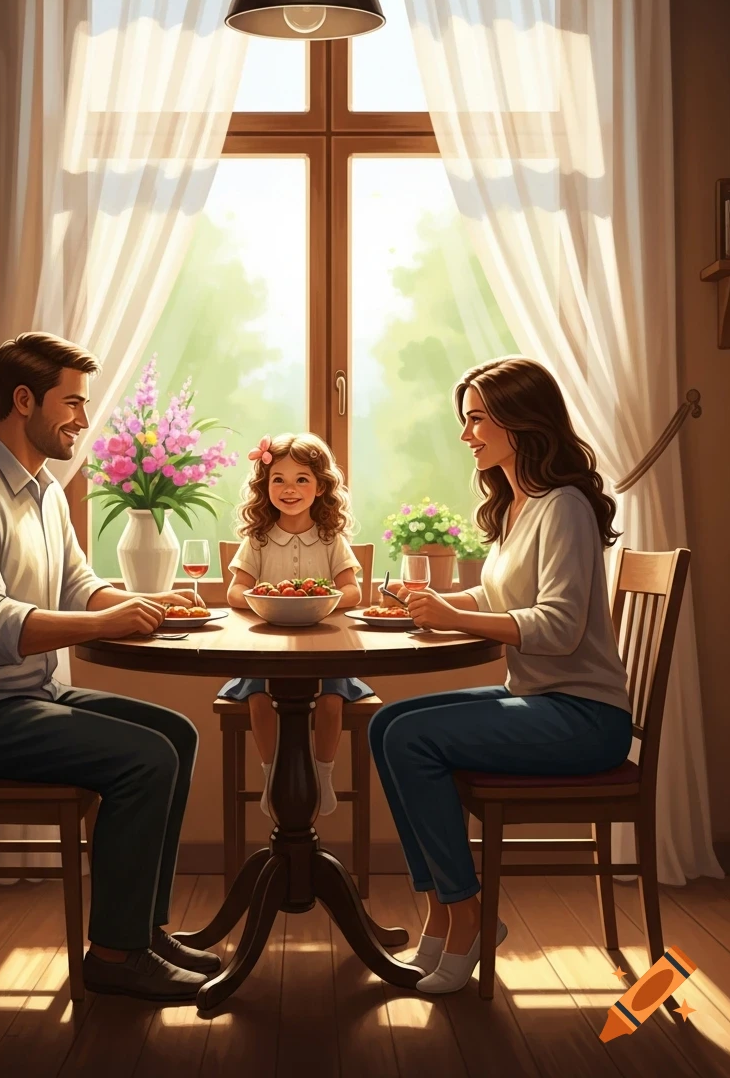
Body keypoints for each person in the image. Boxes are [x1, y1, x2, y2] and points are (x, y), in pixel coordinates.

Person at [0, 332, 220, 1002]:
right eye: (72, 402)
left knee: (177, 737)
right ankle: (114, 956)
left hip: (29, 697)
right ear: (24, 400)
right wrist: (106, 623)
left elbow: (78, 585)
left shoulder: (44, 490)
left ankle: (141, 929)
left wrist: (142, 602)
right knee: (146, 759)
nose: (83, 416)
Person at [368, 357, 632, 994]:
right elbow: (502, 603)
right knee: (387, 724)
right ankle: (444, 915)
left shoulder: (563, 506)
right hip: (539, 700)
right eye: (466, 421)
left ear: (522, 420)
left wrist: (454, 618)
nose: (467, 435)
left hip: (584, 719)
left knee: (408, 737)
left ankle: (466, 917)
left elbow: (558, 626)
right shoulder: (519, 506)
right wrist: (438, 604)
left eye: (478, 419)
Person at [220, 433, 372, 816]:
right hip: (267, 650)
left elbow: (353, 592)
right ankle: (273, 776)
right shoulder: (257, 539)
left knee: (332, 698)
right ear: (264, 487)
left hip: (325, 649)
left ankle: (321, 775)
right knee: (258, 698)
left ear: (320, 486)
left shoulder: (330, 538)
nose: (290, 489)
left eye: (301, 479)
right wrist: (266, 596)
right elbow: (235, 592)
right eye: (279, 480)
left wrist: (316, 598)